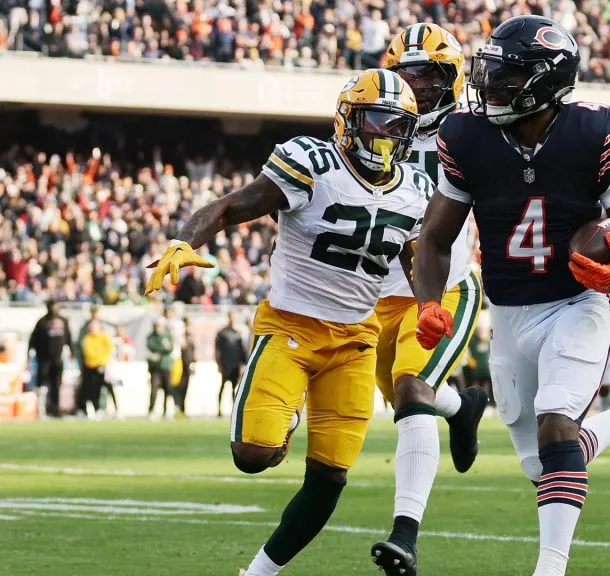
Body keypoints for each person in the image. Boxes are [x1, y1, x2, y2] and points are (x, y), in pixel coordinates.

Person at [410, 16, 610, 576]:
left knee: (557, 425)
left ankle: (549, 568)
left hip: (575, 303)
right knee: (544, 464)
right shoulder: (467, 137)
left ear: (545, 82)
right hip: (508, 310)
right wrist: (427, 304)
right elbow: (434, 237)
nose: (489, 87)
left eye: (505, 78)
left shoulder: (590, 135)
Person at [144, 69, 427, 576]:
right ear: (348, 119)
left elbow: (417, 260)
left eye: (397, 124)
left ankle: (257, 574)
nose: (386, 133)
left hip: (357, 339)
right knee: (252, 455)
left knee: (329, 477)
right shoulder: (311, 161)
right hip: (293, 326)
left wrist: (429, 303)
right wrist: (183, 241)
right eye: (377, 120)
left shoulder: (417, 189)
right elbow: (233, 207)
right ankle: (286, 417)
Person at [370, 25, 491, 573]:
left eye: (428, 75)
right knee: (405, 397)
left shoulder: (473, 131)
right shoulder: (371, 122)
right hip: (378, 294)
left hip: (444, 285)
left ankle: (405, 535)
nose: (416, 87)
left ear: (454, 77)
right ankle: (463, 409)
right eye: (407, 75)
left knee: (412, 389)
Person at [28, 299, 72, 417]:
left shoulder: (63, 321)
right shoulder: (42, 322)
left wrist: (71, 352)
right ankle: (41, 409)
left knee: (56, 385)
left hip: (58, 359)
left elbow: (69, 338)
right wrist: (30, 354)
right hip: (44, 359)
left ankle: (55, 408)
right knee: (42, 385)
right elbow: (33, 340)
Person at [215, 311, 248, 417]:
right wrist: (218, 364)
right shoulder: (222, 333)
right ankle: (219, 410)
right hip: (225, 364)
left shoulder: (237, 333)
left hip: (235, 365)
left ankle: (234, 411)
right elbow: (217, 350)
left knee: (234, 389)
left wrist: (243, 364)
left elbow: (241, 350)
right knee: (222, 387)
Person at [78, 319, 113, 417]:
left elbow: (108, 350)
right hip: (90, 367)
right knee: (88, 390)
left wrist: (102, 362)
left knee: (101, 390)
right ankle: (86, 410)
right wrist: (99, 359)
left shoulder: (104, 337)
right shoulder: (87, 338)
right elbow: (88, 353)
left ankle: (102, 409)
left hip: (102, 367)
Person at [146, 318, 175, 419]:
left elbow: (170, 348)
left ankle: (166, 411)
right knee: (154, 389)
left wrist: (162, 350)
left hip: (166, 366)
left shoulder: (167, 336)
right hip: (155, 367)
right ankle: (151, 410)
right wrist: (163, 348)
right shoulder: (151, 336)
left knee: (168, 389)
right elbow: (152, 347)